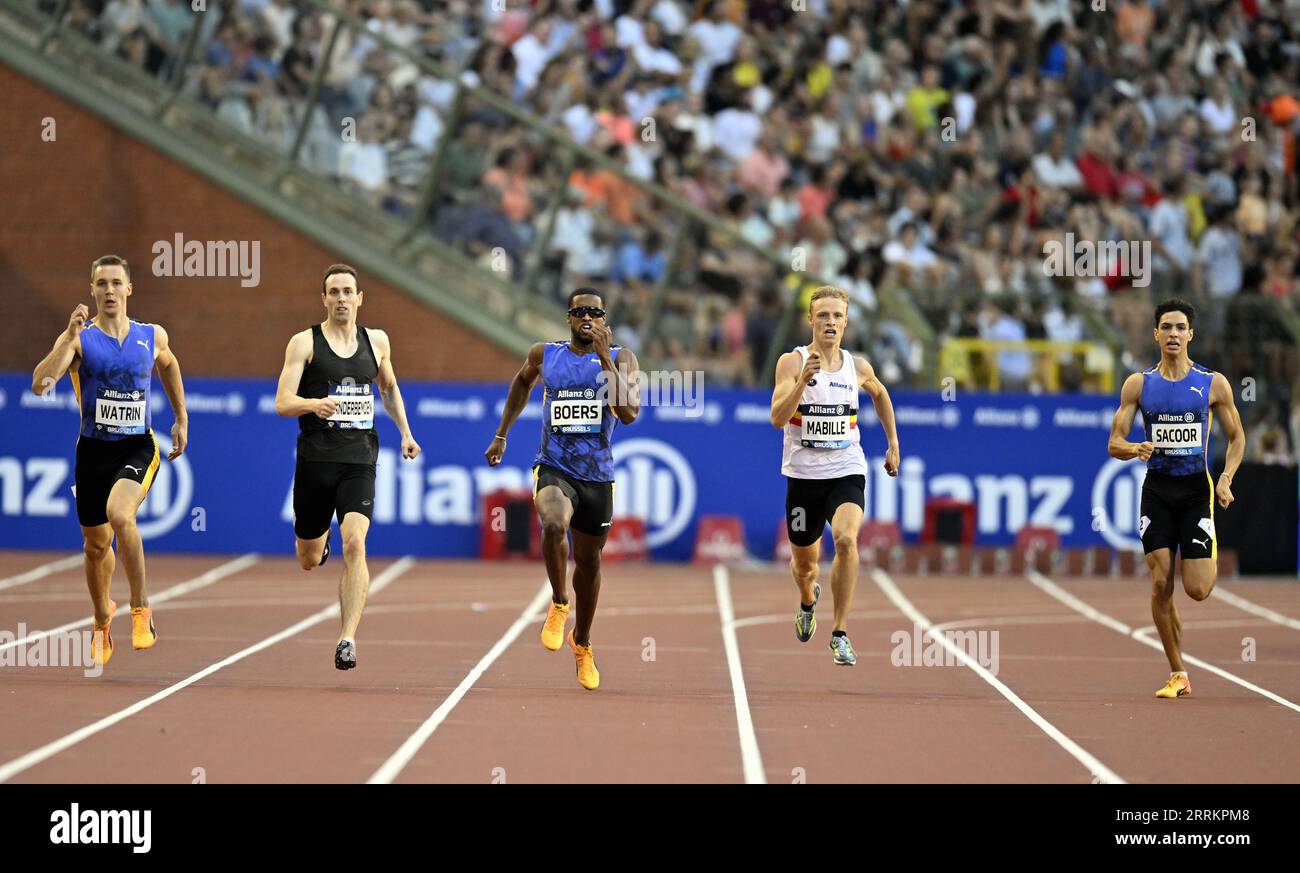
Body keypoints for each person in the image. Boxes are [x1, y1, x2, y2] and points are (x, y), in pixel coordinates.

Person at [31, 255, 189, 665]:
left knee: (121, 517)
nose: (109, 291)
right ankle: (102, 618)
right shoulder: (81, 339)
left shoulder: (151, 336)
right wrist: (66, 339)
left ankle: (141, 610)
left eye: (116, 283)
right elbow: (39, 385)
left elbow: (169, 366)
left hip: (137, 445)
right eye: (101, 284)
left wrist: (181, 418)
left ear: (129, 289)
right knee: (95, 545)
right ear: (92, 291)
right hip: (93, 451)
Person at [485, 288, 640, 690]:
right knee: (553, 523)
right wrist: (502, 434)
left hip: (598, 477)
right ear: (568, 317)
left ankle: (583, 642)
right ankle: (558, 602)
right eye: (580, 312)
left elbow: (629, 413)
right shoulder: (544, 355)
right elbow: (521, 384)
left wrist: (605, 359)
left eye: (595, 312)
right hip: (554, 467)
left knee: (589, 563)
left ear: (605, 319)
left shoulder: (622, 358)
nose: (587, 318)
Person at [274, 264, 421, 670]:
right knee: (307, 558)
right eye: (333, 292)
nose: (341, 299)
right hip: (315, 462)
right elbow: (282, 401)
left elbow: (388, 389)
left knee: (355, 542)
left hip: (359, 460)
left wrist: (406, 433)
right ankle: (317, 549)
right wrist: (312, 404)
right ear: (324, 299)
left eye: (347, 292)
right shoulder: (304, 343)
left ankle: (347, 638)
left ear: (360, 299)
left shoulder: (376, 342)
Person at [1107, 298, 1245, 698]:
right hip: (1157, 492)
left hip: (1196, 492)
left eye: (1179, 327)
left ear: (1190, 334)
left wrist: (1225, 478)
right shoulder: (1139, 385)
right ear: (1155, 334)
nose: (1172, 334)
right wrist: (1135, 448)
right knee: (1160, 581)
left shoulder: (1211, 383)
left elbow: (1237, 437)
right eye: (1165, 327)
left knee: (1197, 589)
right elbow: (1114, 441)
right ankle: (1178, 672)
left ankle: (1199, 561)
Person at [769, 286, 900, 666]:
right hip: (803, 477)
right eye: (823, 315)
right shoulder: (791, 363)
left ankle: (840, 633)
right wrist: (800, 383)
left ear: (846, 322)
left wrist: (893, 442)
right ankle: (808, 600)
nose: (830, 322)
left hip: (846, 468)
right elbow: (777, 418)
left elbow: (880, 394)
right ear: (810, 320)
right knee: (805, 565)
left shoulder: (857, 367)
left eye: (837, 316)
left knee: (845, 539)